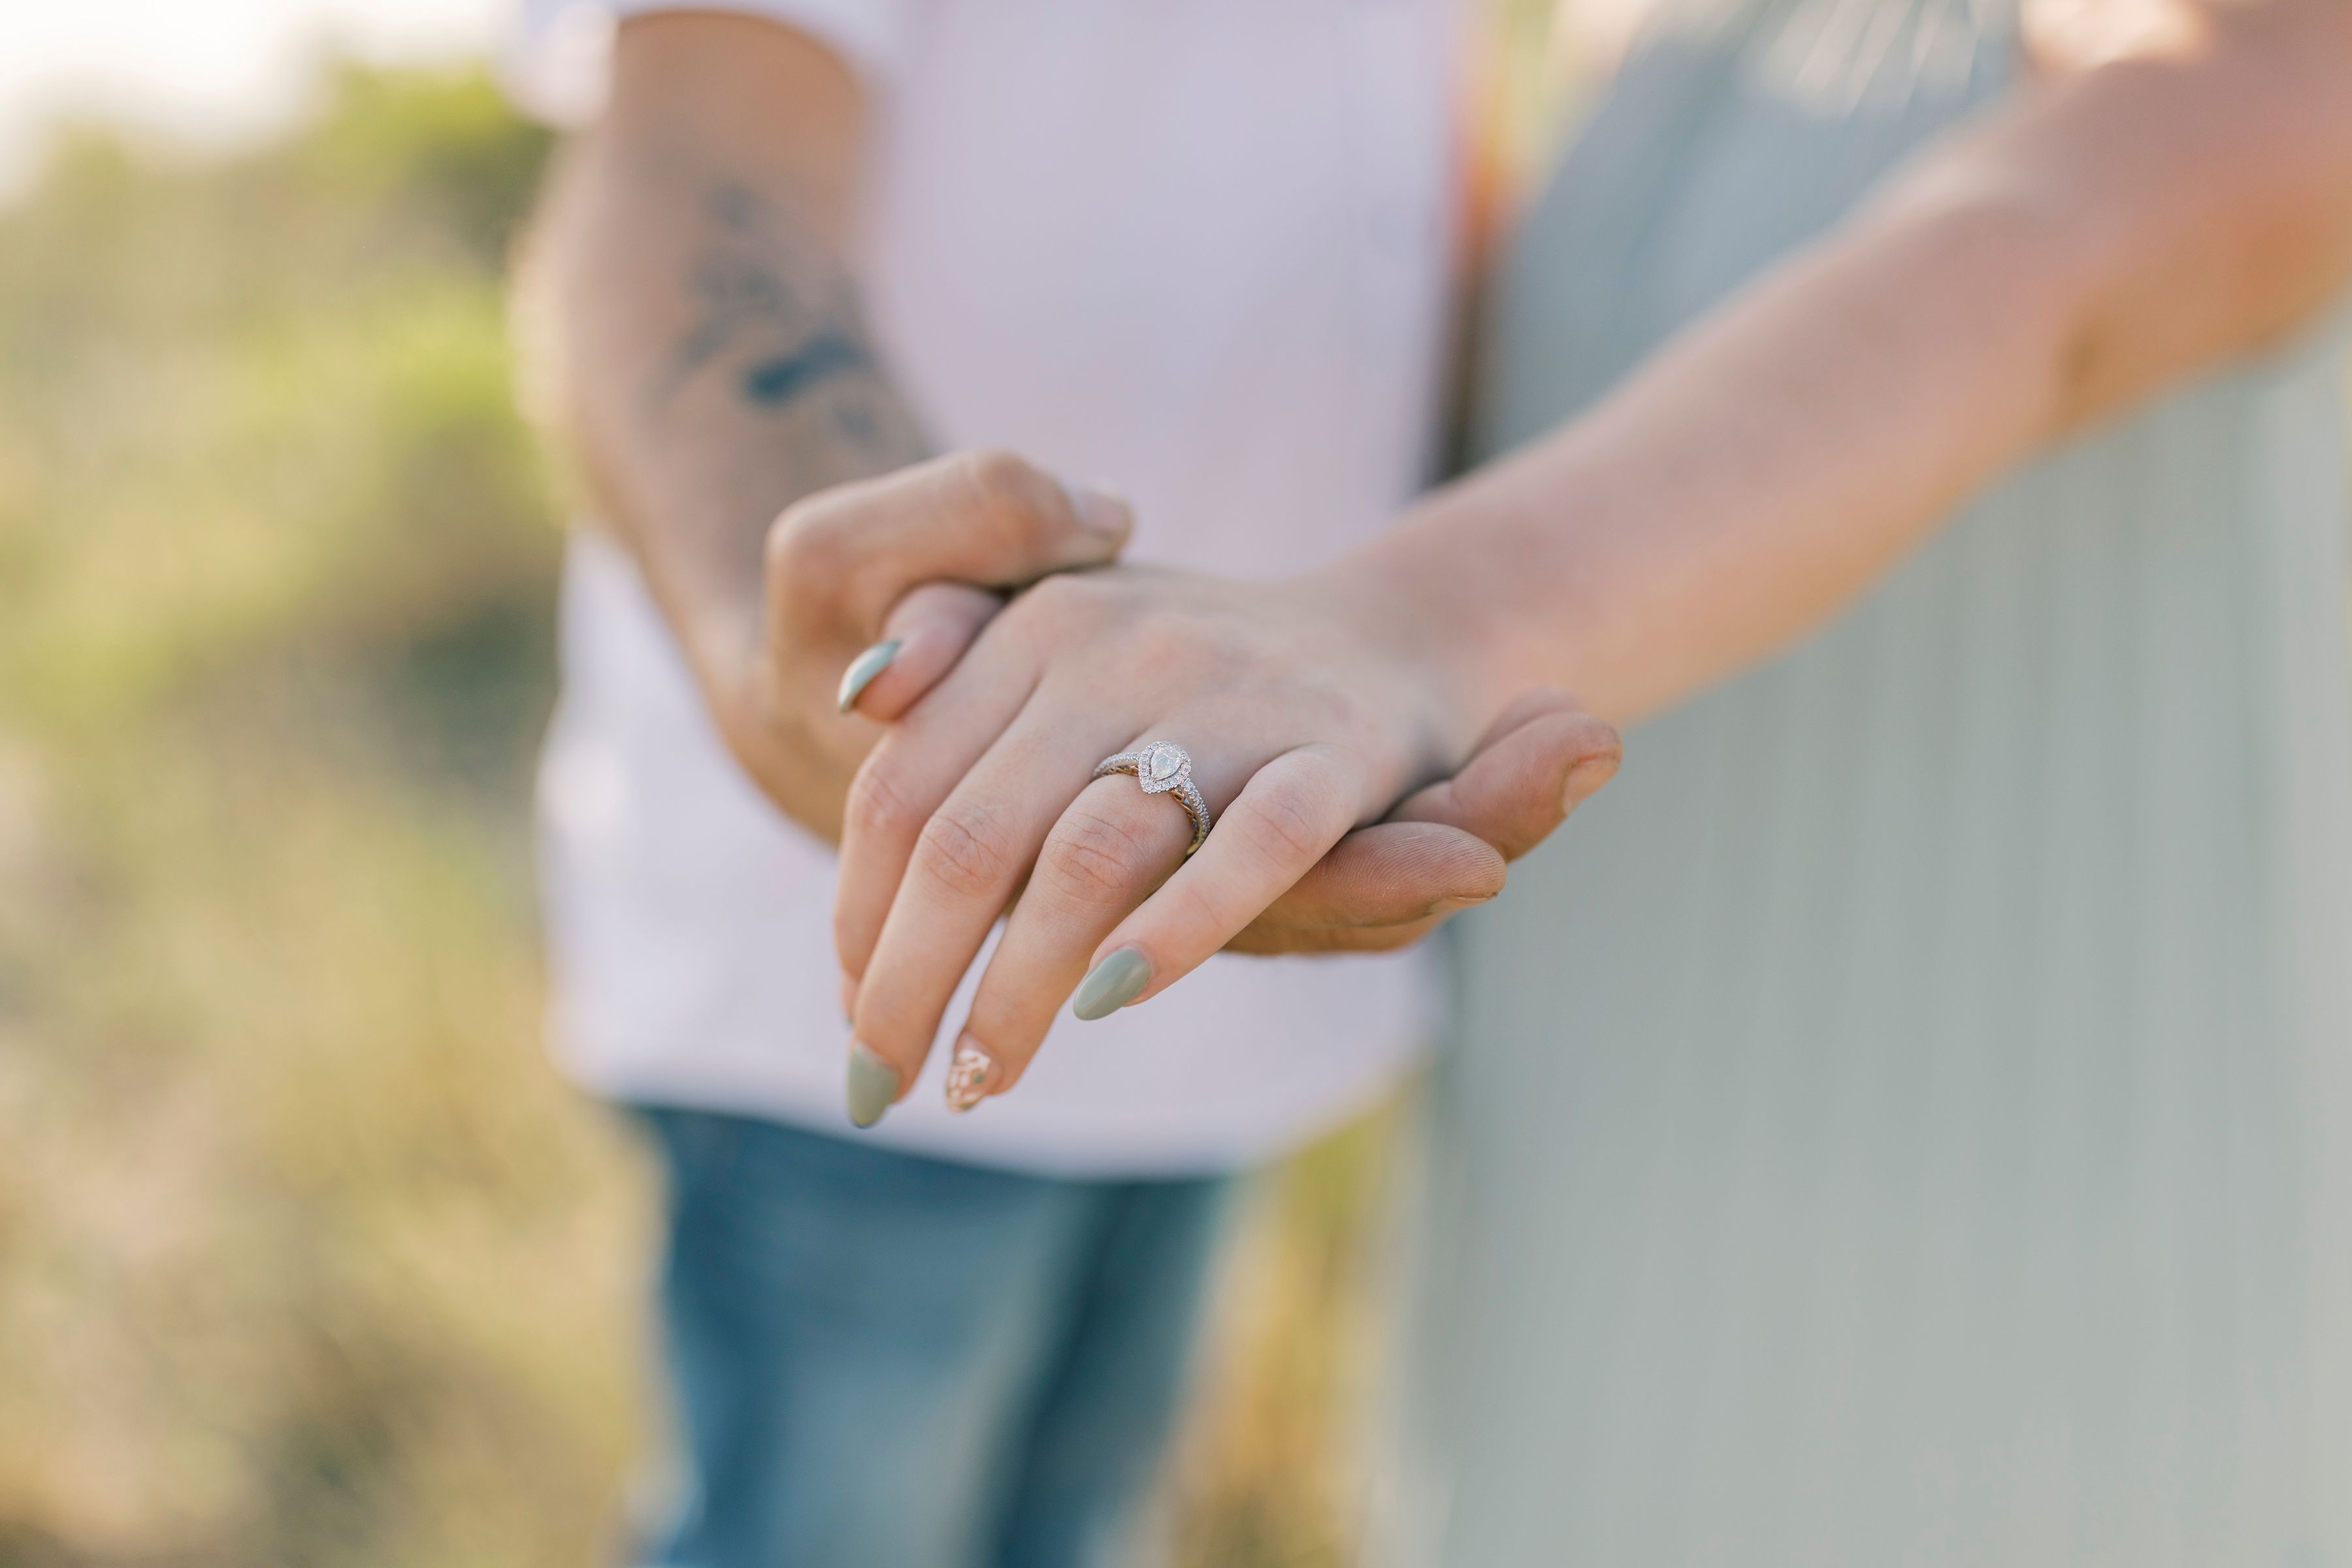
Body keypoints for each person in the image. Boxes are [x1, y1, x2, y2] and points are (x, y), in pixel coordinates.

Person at [821, 0, 2352, 1559]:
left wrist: (1402, 625)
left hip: (2036, 1183)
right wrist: (1053, 612)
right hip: (1601, 1169)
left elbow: (2034, 267)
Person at [504, 3, 1619, 1563]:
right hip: (868, 941)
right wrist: (879, 636)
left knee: (1078, 1526)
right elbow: (691, 167)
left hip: (1233, 887)